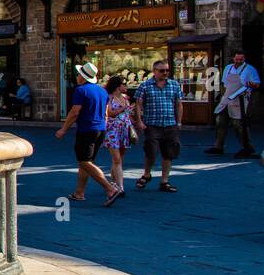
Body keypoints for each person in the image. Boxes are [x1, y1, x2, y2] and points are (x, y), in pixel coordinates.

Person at [56, 62, 122, 206]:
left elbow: (75, 112)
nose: (77, 77)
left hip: (87, 129)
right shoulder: (102, 91)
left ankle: (110, 188)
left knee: (84, 161)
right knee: (86, 162)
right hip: (100, 129)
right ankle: (79, 192)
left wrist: (63, 129)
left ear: (82, 77)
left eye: (78, 74)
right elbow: (106, 113)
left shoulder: (81, 91)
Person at [133, 59, 184, 193]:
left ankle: (164, 181)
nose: (165, 73)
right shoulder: (145, 85)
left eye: (167, 70)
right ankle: (147, 174)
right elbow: (138, 104)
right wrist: (139, 121)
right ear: (154, 71)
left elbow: (179, 104)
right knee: (151, 151)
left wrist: (179, 121)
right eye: (162, 70)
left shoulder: (174, 85)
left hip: (169, 124)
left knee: (168, 153)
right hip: (152, 124)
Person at [207, 49, 259, 158]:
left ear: (244, 59)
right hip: (227, 98)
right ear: (233, 58)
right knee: (220, 121)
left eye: (241, 59)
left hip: (240, 99)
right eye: (236, 59)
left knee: (239, 124)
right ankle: (218, 146)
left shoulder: (250, 69)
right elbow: (224, 84)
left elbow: (257, 84)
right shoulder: (228, 68)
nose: (238, 61)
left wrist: (251, 84)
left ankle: (248, 148)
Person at [101, 74, 134, 197]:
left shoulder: (125, 98)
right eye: (123, 84)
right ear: (117, 86)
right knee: (117, 159)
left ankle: (113, 182)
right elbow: (109, 113)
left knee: (119, 158)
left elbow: (128, 113)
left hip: (124, 129)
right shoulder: (109, 98)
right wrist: (122, 109)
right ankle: (120, 187)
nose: (125, 86)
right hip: (112, 130)